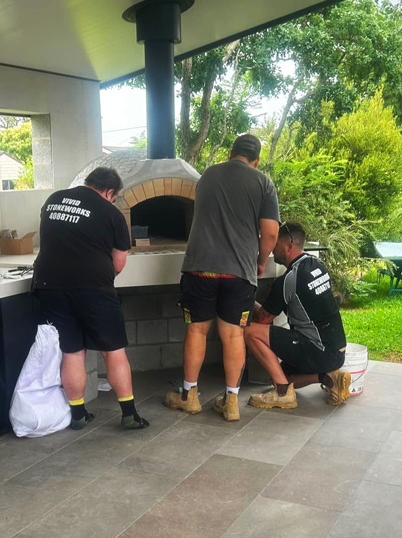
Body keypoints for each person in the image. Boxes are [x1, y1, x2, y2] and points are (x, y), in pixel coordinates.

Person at [165, 134, 280, 421]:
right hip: (239, 271)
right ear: (256, 160)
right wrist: (261, 261)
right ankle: (231, 401)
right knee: (232, 335)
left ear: (231, 152)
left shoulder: (207, 176)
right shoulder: (263, 182)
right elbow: (270, 232)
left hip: (200, 267)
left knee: (197, 331)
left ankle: (189, 396)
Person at [32, 167, 149, 430]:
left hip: (50, 286)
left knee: (72, 351)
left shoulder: (53, 200)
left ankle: (78, 415)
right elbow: (118, 264)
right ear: (110, 192)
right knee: (113, 351)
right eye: (114, 197)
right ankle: (129, 414)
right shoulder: (111, 213)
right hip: (93, 289)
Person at [244, 221, 351, 409]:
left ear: (289, 246)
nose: (271, 251)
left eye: (275, 245)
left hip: (317, 349)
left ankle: (282, 392)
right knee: (278, 373)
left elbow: (263, 319)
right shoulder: (317, 264)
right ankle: (329, 378)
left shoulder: (289, 279)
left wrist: (246, 298)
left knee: (250, 331)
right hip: (337, 351)